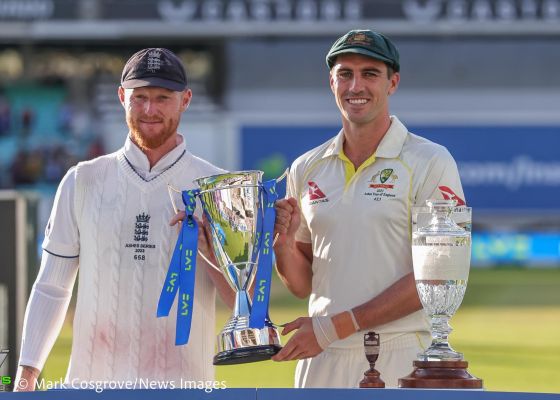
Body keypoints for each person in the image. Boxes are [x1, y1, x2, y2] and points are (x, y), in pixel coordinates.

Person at [14, 48, 233, 391]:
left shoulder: (217, 188)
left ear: (185, 100)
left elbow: (242, 303)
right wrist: (27, 373)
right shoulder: (81, 179)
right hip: (89, 388)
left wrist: (212, 253)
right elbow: (52, 287)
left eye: (163, 97)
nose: (150, 109)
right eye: (140, 97)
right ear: (121, 97)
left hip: (183, 389)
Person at [272, 30, 466, 388]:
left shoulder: (429, 160)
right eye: (345, 73)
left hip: (398, 354)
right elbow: (301, 285)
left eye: (370, 74)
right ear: (331, 82)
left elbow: (437, 275)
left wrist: (334, 327)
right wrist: (282, 245)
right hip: (321, 356)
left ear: (393, 83)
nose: (355, 85)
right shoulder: (306, 167)